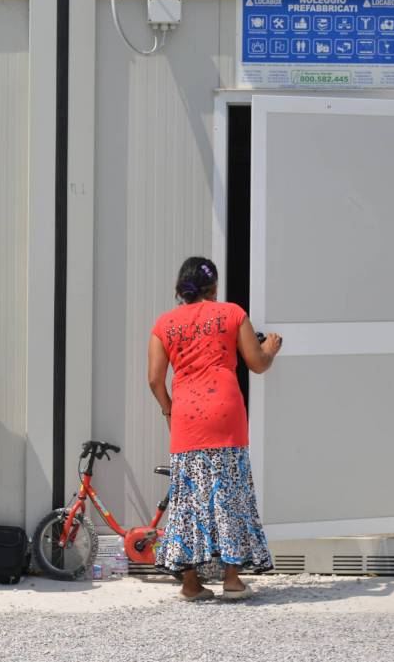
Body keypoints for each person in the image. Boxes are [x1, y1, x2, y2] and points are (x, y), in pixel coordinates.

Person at [147, 256, 282, 601]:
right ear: (214, 286)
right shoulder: (232, 313)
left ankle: (191, 585)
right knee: (229, 494)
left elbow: (154, 378)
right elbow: (257, 363)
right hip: (225, 414)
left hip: (187, 419)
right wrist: (271, 348)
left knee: (188, 499)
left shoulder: (165, 324)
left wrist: (168, 409)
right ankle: (232, 580)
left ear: (182, 288)